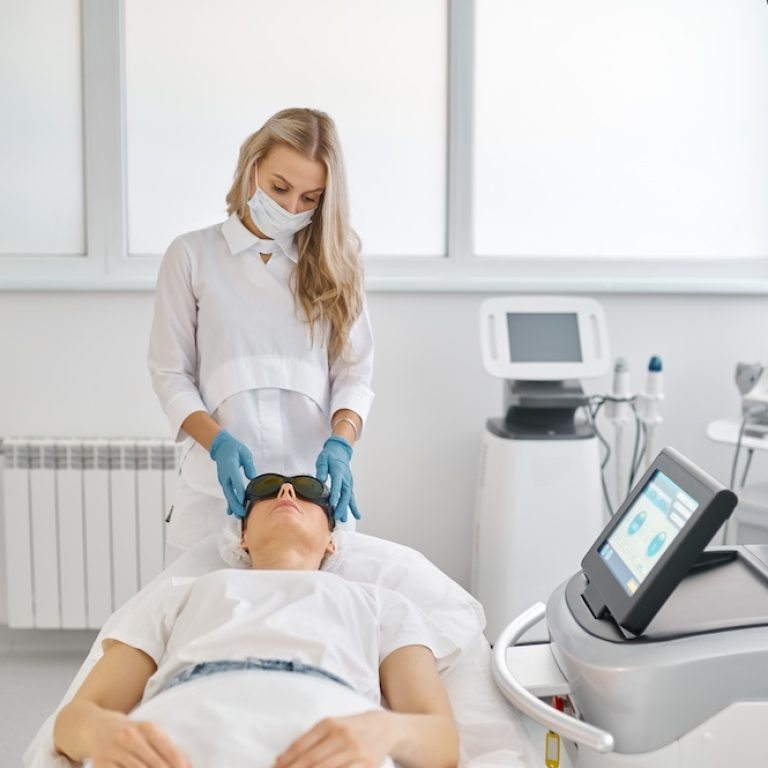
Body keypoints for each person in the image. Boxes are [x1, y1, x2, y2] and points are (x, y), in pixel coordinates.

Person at [52, 475, 459, 768]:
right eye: (264, 489)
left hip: (328, 740)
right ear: (241, 538)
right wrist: (102, 733)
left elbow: (441, 740)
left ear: (333, 540)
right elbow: (77, 717)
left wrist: (386, 732)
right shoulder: (181, 592)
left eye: (308, 491)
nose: (285, 491)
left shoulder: (381, 603)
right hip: (176, 739)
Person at [148, 108, 374, 563]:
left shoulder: (336, 260)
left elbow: (354, 373)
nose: (292, 208)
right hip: (216, 493)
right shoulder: (192, 255)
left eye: (311, 197)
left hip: (309, 499)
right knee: (198, 625)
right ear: (251, 166)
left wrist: (342, 443)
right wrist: (219, 443)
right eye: (279, 188)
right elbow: (171, 374)